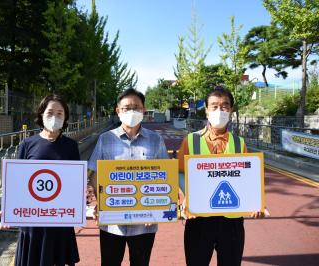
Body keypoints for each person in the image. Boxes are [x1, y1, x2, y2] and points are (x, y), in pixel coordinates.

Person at [177, 86, 269, 266]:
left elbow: (246, 179)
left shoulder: (239, 142)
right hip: (199, 219)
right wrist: (186, 198)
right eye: (214, 106)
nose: (219, 110)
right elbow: (180, 172)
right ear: (206, 110)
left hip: (232, 220)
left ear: (231, 110)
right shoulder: (191, 140)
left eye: (225, 106)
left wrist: (256, 203)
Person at [88, 88, 169, 266]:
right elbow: (94, 172)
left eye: (136, 107)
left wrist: (156, 209)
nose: (131, 111)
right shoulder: (105, 139)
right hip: (111, 222)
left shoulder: (156, 140)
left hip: (145, 221)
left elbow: (165, 176)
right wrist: (101, 201)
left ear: (143, 110)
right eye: (126, 108)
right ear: (118, 111)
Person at [0, 94, 81, 266]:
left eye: (60, 113)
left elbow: (75, 183)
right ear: (41, 114)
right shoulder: (27, 144)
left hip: (59, 220)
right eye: (50, 112)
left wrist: (84, 194)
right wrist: (7, 208)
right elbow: (17, 182)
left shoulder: (71, 146)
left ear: (65, 117)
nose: (54, 117)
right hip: (32, 222)